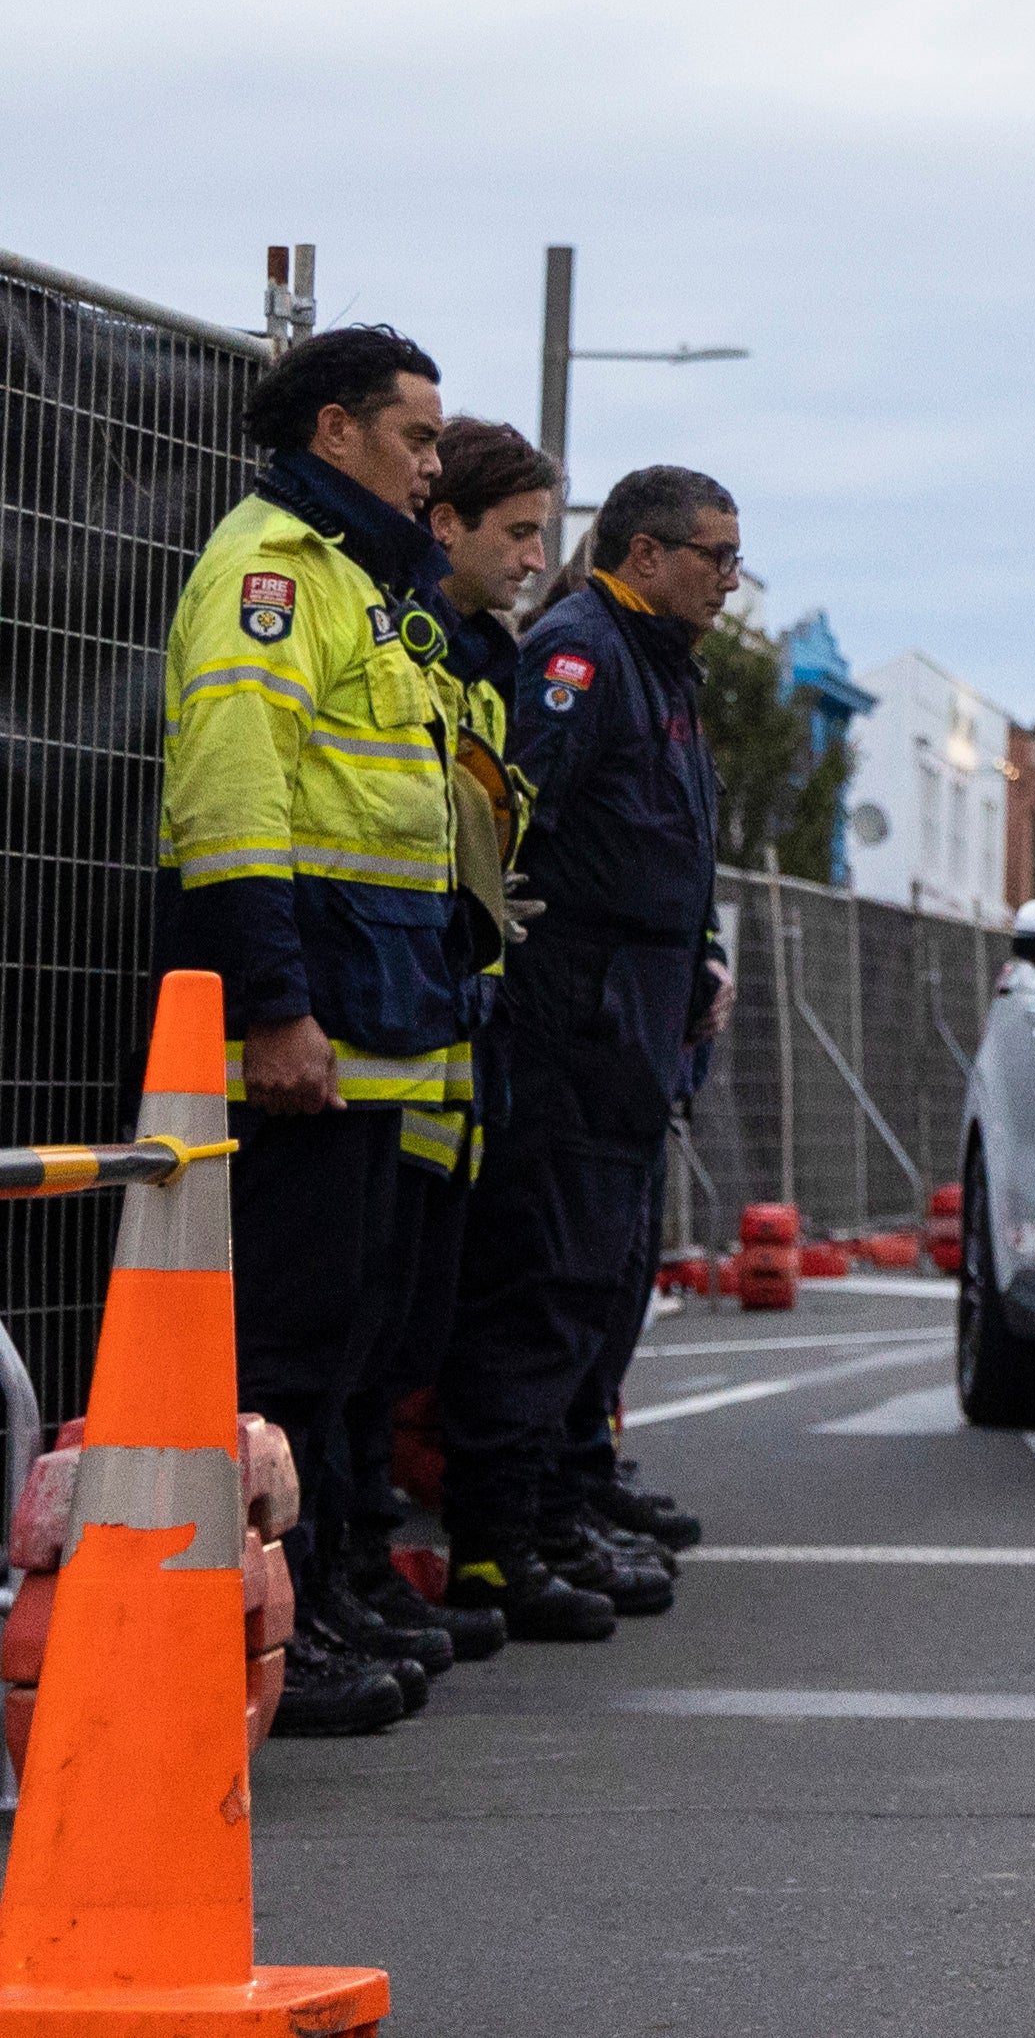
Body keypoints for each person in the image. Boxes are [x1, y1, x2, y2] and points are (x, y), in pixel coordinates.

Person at [159, 323, 467, 1741]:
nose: (432, 466)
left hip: (371, 1025)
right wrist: (277, 1010)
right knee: (284, 1344)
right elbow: (235, 800)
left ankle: (320, 1598)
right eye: (415, 437)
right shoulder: (274, 574)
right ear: (336, 431)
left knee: (342, 1334)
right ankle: (259, 1634)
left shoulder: (357, 577)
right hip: (308, 1034)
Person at [439, 464, 739, 1639]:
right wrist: (572, 989)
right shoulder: (580, 654)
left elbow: (670, 844)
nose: (726, 577)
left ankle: (559, 1505)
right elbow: (519, 829)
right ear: (647, 554)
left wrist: (692, 961)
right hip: (576, 1014)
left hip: (633, 1011)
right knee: (545, 1273)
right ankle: (499, 1541)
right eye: (711, 555)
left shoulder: (657, 664)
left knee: (600, 1277)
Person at [332, 419, 565, 1677]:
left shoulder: (477, 660)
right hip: (378, 1029)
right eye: (518, 531)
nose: (536, 557)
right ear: (449, 526)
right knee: (348, 1333)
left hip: (441, 1043)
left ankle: (360, 1567)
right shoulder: (412, 641)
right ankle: (338, 1570)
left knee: (402, 1329)